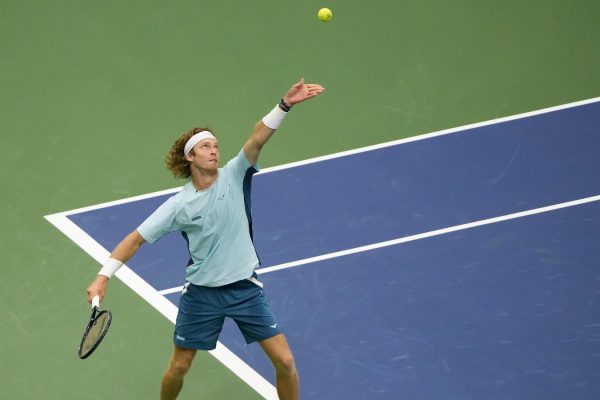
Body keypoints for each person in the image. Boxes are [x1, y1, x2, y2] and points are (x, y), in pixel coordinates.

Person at [86, 78, 325, 400]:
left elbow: (257, 138)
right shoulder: (178, 205)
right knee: (180, 367)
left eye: (215, 146)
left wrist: (285, 104)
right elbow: (135, 239)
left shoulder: (236, 173)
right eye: (205, 147)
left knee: (285, 361)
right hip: (201, 296)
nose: (214, 151)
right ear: (190, 157)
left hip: (244, 289)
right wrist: (103, 277)